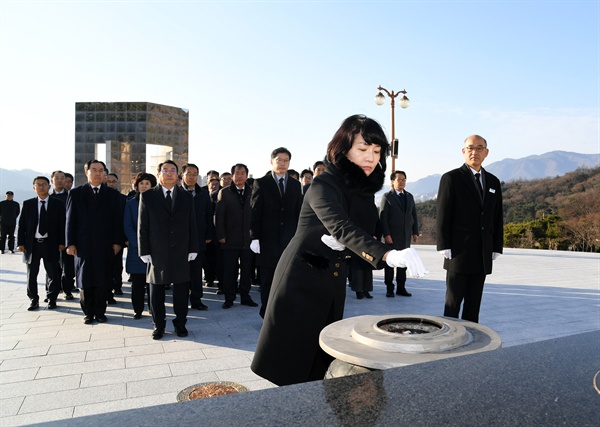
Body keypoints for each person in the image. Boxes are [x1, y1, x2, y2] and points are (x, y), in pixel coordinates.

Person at [251, 114, 427, 386]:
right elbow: (341, 226)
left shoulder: (362, 189)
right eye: (363, 149)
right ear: (343, 149)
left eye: (377, 151)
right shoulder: (323, 184)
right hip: (300, 279)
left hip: (332, 280)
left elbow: (362, 228)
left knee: (322, 355)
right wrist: (388, 254)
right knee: (290, 360)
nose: (371, 158)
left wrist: (358, 243)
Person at [436, 135, 503, 323]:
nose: (475, 152)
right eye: (471, 148)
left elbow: (497, 216)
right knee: (453, 303)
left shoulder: (493, 182)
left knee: (474, 304)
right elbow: (443, 213)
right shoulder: (451, 178)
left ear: (486, 152)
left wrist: (496, 246)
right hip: (458, 251)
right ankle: (449, 336)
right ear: (463, 151)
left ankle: (472, 337)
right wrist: (444, 245)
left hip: (482, 252)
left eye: (480, 148)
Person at [138, 160, 199, 340]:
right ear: (158, 174)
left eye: (173, 170)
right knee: (156, 290)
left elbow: (192, 224)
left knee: (181, 291)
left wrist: (193, 247)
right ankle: (159, 325)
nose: (170, 173)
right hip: (157, 251)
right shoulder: (148, 196)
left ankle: (180, 324)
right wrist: (144, 250)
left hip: (181, 250)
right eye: (165, 170)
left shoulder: (186, 196)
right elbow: (142, 226)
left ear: (178, 174)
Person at [66, 160, 124, 324]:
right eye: (94, 170)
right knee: (85, 279)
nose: (98, 173)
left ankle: (100, 311)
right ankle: (88, 312)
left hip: (105, 244)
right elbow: (70, 220)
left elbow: (117, 221)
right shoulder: (76, 193)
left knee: (103, 278)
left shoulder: (112, 194)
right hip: (83, 244)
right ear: (87, 172)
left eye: (101, 170)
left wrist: (117, 241)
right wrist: (70, 243)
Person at [249, 147, 303, 318]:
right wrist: (254, 237)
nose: (282, 163)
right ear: (271, 161)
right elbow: (255, 212)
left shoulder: (295, 185)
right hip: (267, 240)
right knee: (267, 280)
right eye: (279, 160)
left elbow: (299, 213)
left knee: (288, 279)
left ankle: (284, 313)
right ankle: (266, 314)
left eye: (286, 160)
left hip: (289, 240)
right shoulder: (261, 183)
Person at [17, 176, 65, 310]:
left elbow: (62, 225)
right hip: (32, 245)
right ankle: (33, 299)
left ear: (49, 187)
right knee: (31, 274)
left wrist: (62, 242)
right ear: (34, 188)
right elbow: (22, 226)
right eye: (39, 185)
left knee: (53, 274)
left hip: (51, 244)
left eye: (44, 184)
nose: (42, 187)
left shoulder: (57, 204)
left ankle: (52, 298)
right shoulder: (28, 204)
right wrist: (20, 243)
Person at [215, 163, 258, 309]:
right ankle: (229, 297)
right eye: (236, 173)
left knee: (246, 270)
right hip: (229, 238)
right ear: (232, 176)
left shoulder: (253, 192)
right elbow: (219, 216)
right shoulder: (225, 192)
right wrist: (221, 235)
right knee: (230, 270)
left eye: (242, 173)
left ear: (247, 176)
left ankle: (245, 296)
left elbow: (257, 215)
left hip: (248, 239)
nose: (239, 176)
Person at [379, 170, 419, 297]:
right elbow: (383, 218)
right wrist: (386, 234)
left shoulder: (409, 196)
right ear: (392, 181)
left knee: (403, 263)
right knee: (390, 263)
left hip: (406, 236)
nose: (401, 182)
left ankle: (401, 287)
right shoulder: (387, 197)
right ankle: (389, 288)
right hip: (392, 236)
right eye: (398, 179)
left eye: (403, 179)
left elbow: (414, 215)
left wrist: (415, 232)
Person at [181, 163, 214, 311]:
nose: (192, 176)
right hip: (180, 239)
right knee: (181, 272)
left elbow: (209, 216)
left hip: (199, 238)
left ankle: (196, 299)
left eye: (195, 174)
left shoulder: (203, 193)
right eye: (189, 174)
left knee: (196, 272)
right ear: (183, 175)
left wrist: (208, 234)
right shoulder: (176, 192)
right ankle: (181, 300)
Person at [123, 172, 156, 319]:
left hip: (155, 248)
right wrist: (138, 245)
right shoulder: (130, 204)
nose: (144, 186)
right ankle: (137, 309)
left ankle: (152, 307)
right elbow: (128, 225)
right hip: (136, 249)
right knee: (137, 283)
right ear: (137, 186)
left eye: (147, 183)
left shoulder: (158, 202)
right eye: (141, 183)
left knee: (153, 283)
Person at [49, 170, 74, 300]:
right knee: (51, 266)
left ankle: (67, 290)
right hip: (51, 238)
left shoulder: (71, 196)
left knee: (68, 266)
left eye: (62, 178)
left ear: (65, 181)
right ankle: (51, 291)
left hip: (67, 236)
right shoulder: (48, 198)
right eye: (56, 178)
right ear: (52, 180)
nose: (59, 180)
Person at [106, 173, 127, 300]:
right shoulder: (101, 197)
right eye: (109, 181)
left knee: (117, 264)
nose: (112, 184)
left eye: (114, 181)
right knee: (106, 266)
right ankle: (108, 290)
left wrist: (122, 239)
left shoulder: (123, 199)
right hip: (103, 238)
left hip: (118, 237)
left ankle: (118, 286)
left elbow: (124, 220)